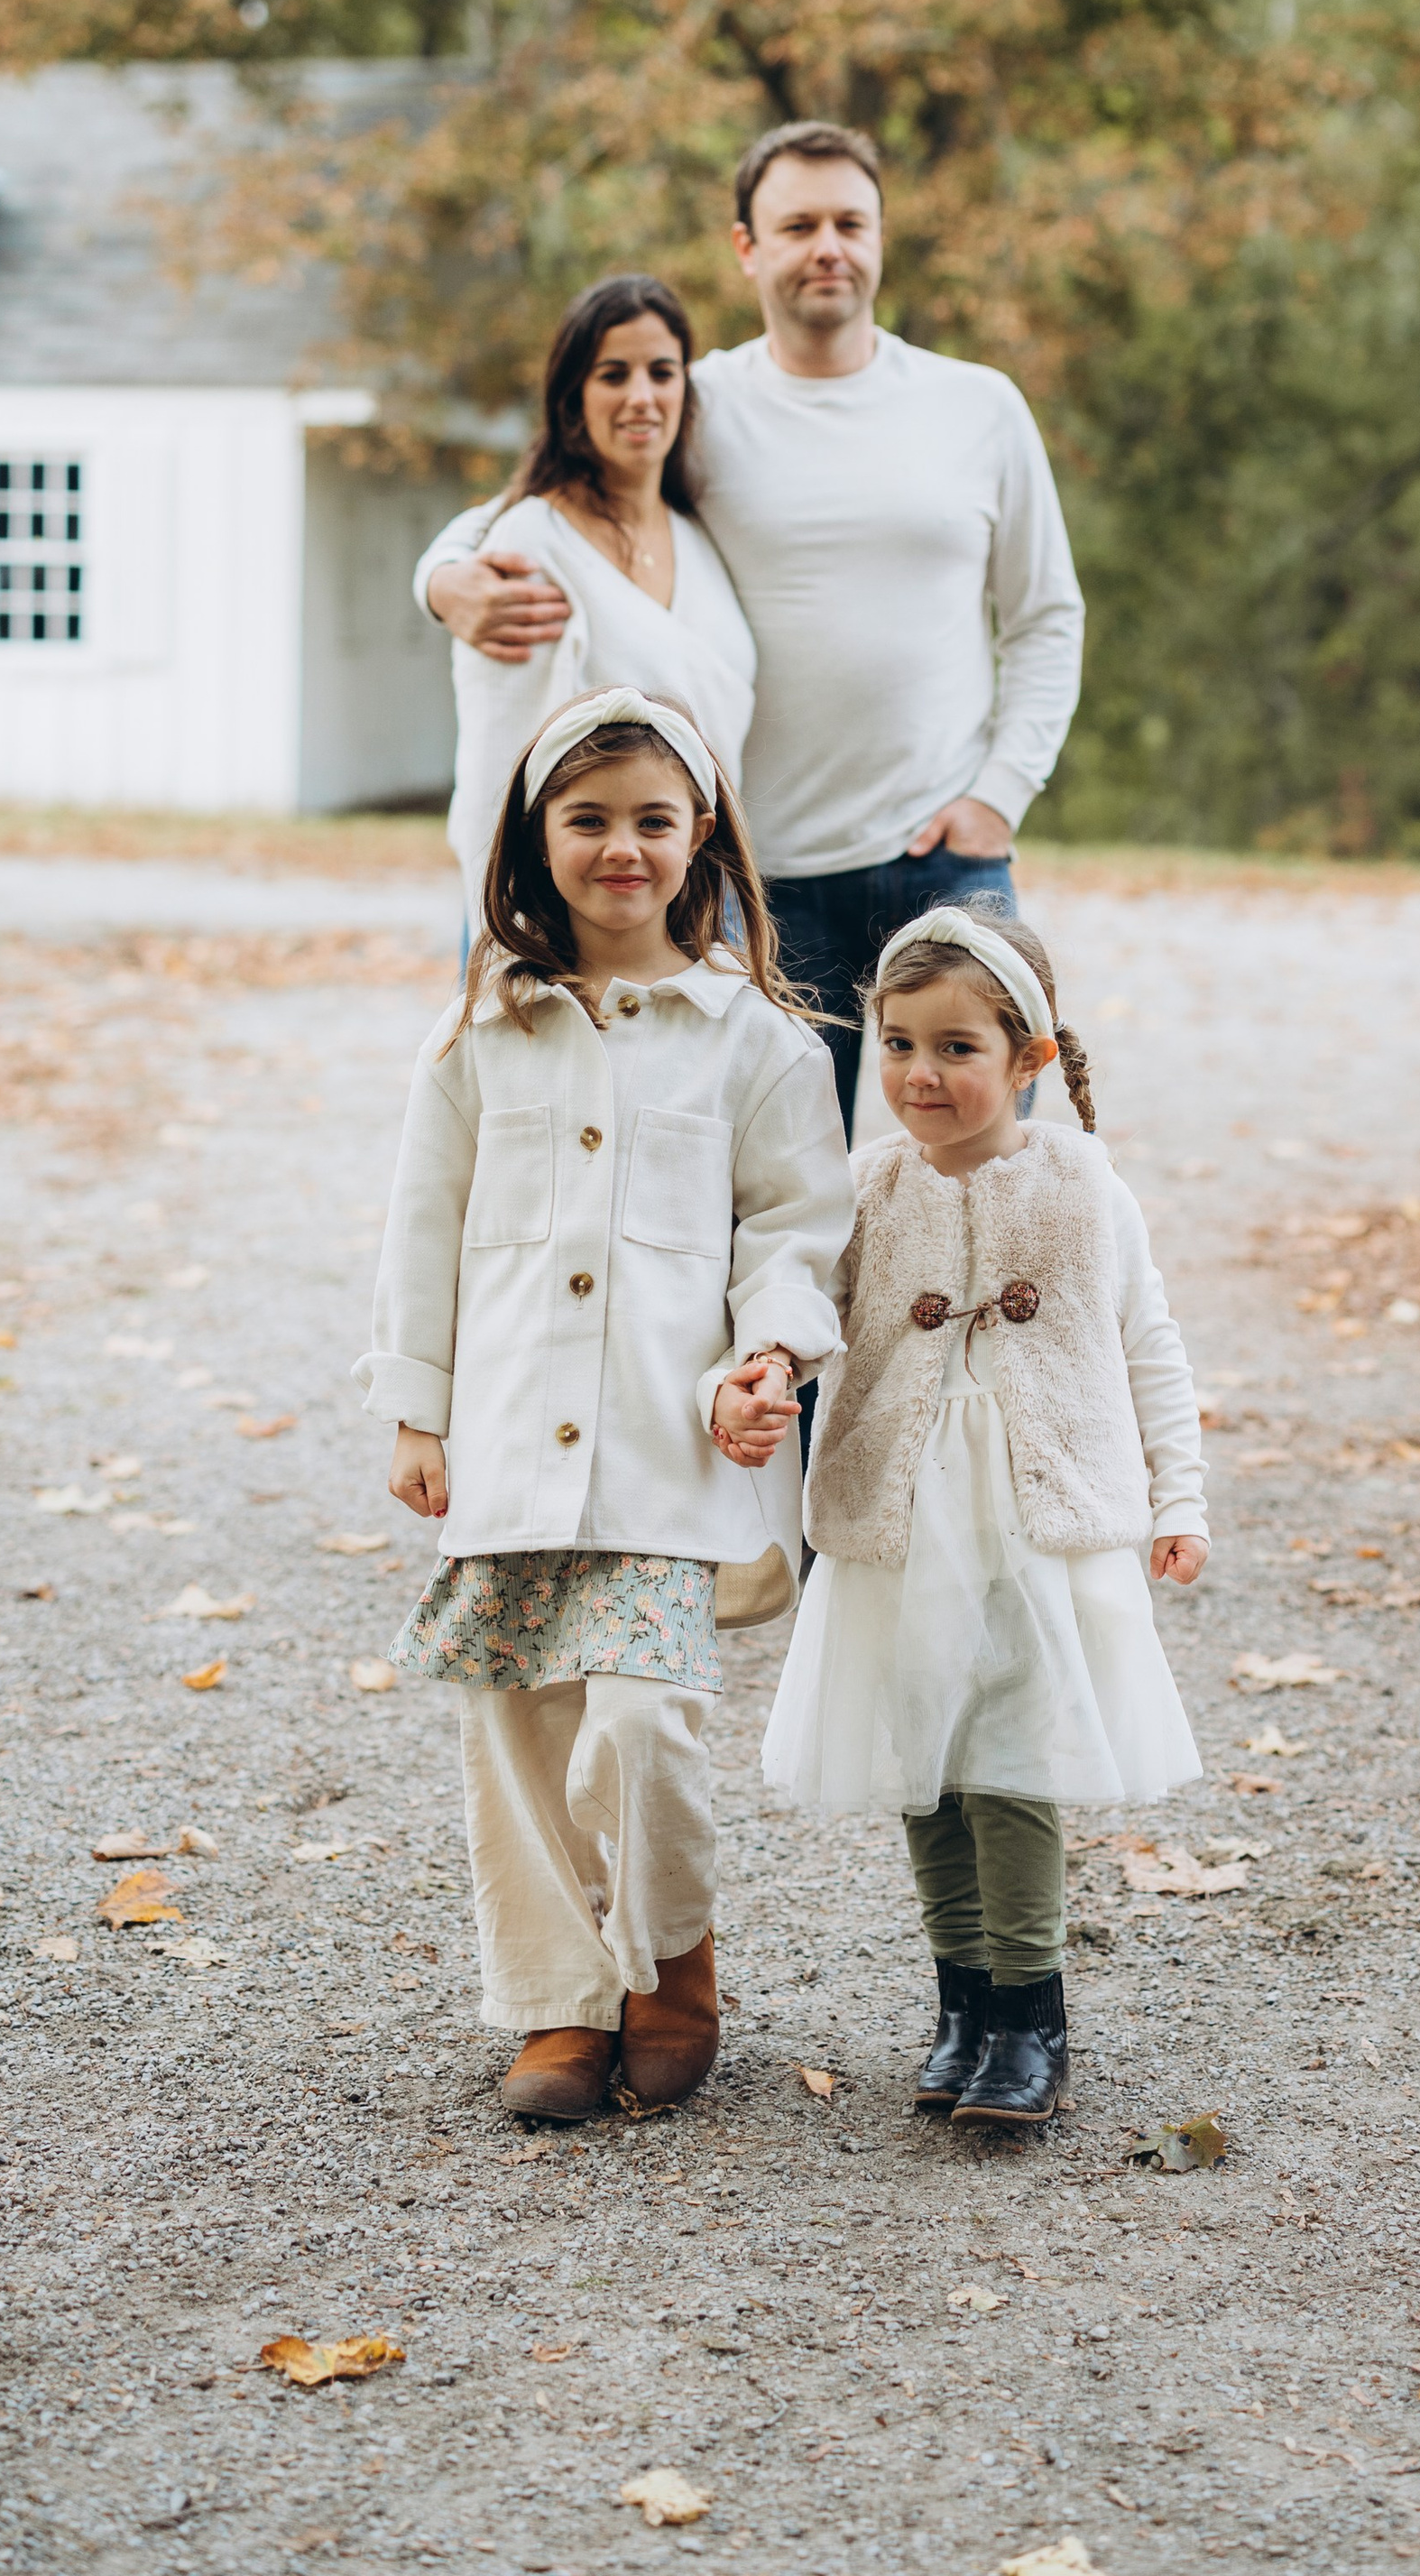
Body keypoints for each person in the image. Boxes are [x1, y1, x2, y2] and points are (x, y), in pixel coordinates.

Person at [359, 686, 853, 2121]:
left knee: (639, 1721)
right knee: (517, 1726)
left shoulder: (753, 1042)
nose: (620, 846)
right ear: (535, 837)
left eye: (652, 818)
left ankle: (668, 1962)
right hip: (511, 1444)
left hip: (665, 1445)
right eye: (587, 818)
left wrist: (774, 1354)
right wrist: (416, 1410)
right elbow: (421, 1232)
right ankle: (559, 2004)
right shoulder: (476, 1039)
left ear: (701, 838)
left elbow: (795, 1234)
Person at [415, 122, 1084, 1122]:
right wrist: (441, 577)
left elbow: (1045, 617)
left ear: (880, 238)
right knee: (770, 1191)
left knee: (982, 1165)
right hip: (754, 881)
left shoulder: (977, 406)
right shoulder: (695, 397)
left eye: (850, 222)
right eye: (798, 223)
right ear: (747, 247)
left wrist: (1001, 792)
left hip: (946, 857)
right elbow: (543, 487)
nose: (828, 246)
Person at [759, 901, 1209, 2130]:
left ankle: (1030, 2017)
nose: (920, 1074)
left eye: (957, 1047)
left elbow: (1148, 1344)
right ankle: (960, 2003)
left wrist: (1180, 1495)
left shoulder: (1082, 1187)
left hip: (1028, 1519)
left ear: (1029, 1058)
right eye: (899, 1044)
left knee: (1010, 1762)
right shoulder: (862, 1190)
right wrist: (763, 1372)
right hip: (903, 1519)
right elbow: (800, 1314)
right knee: (928, 1767)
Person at [440, 274, 755, 914]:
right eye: (613, 374)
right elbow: (497, 769)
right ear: (573, 397)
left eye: (661, 372)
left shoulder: (698, 534)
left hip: (702, 900)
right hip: (580, 914)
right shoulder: (532, 543)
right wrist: (506, 936)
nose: (642, 396)